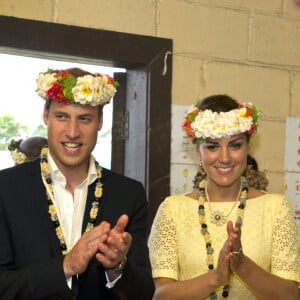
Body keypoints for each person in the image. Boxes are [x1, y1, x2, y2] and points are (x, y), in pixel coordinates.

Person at [0, 68, 154, 299]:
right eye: (62, 116)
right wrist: (66, 266)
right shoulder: (6, 188)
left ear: (100, 122)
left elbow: (143, 293)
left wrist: (117, 267)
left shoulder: (128, 194)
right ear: (45, 115)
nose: (72, 132)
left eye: (85, 119)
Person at [148, 94, 300, 299]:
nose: (225, 158)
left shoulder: (276, 208)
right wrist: (217, 278)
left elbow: (289, 295)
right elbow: (162, 296)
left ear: (248, 147)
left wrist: (242, 265)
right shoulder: (173, 210)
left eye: (235, 145)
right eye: (212, 146)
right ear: (198, 151)